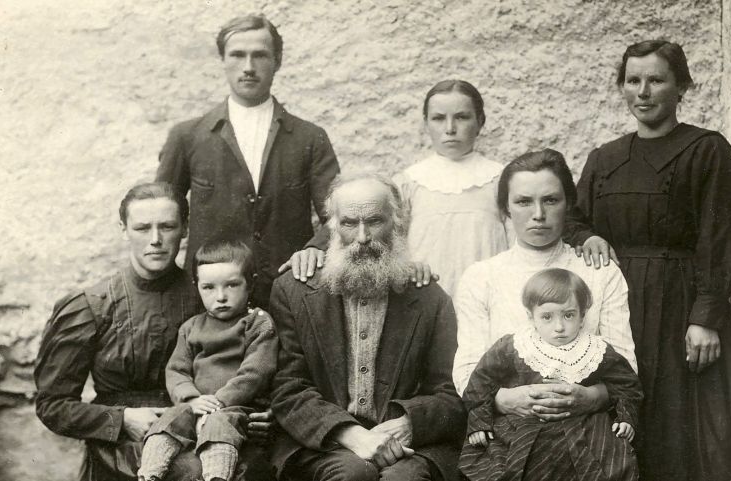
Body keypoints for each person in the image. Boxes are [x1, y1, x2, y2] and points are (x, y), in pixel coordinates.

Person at [565, 40, 731, 481]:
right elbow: (572, 219)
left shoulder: (706, 150)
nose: (643, 92)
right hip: (618, 308)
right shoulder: (605, 158)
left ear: (681, 87)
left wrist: (705, 316)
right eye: (633, 80)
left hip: (679, 305)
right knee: (621, 418)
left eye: (656, 80)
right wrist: (589, 236)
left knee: (681, 424)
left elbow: (721, 237)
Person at [268, 173, 465, 481]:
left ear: (396, 223)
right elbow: (288, 388)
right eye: (349, 223)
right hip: (327, 442)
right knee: (353, 475)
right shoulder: (294, 291)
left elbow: (449, 392)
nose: (362, 237)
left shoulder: (429, 297)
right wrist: (353, 436)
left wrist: (410, 424)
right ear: (333, 226)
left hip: (405, 443)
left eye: (374, 221)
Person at [156, 14, 340, 310]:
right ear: (222, 60)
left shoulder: (310, 137)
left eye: (260, 55)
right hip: (211, 304)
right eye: (237, 55)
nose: (249, 67)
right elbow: (160, 217)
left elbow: (339, 216)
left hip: (288, 295)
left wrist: (314, 250)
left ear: (278, 61)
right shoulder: (187, 136)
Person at [35, 183, 204, 481]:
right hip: (119, 451)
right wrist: (121, 419)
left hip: (195, 436)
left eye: (167, 226)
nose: (155, 239)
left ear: (185, 229)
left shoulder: (209, 299)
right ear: (124, 230)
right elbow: (52, 405)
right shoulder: (92, 306)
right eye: (142, 228)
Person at [453, 150, 637, 419]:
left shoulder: (600, 272)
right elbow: (466, 370)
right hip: (507, 427)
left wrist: (590, 398)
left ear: (568, 204)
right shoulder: (481, 277)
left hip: (587, 426)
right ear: (506, 208)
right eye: (523, 202)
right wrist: (504, 400)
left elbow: (625, 366)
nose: (538, 214)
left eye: (550, 200)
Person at [459, 268, 641, 481]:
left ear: (582, 316)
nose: (559, 327)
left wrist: (625, 417)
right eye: (547, 317)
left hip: (583, 429)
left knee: (608, 465)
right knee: (507, 466)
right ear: (531, 317)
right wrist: (479, 421)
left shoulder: (595, 350)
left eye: (569, 315)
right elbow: (480, 381)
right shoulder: (516, 345)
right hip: (523, 427)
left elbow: (627, 384)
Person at [138, 240, 278, 481]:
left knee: (219, 424)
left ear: (250, 283)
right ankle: (149, 473)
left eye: (232, 285)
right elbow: (176, 371)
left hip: (236, 408)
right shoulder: (191, 327)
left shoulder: (258, 323)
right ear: (198, 287)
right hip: (198, 405)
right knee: (172, 417)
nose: (221, 297)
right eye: (209, 288)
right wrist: (191, 399)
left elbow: (255, 372)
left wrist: (220, 402)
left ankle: (217, 476)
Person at [390, 79, 509, 297]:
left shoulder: (500, 179)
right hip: (427, 297)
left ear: (480, 122)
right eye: (438, 118)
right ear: (426, 124)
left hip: (487, 295)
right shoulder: (409, 182)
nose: (450, 129)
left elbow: (517, 244)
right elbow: (393, 248)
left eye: (462, 117)